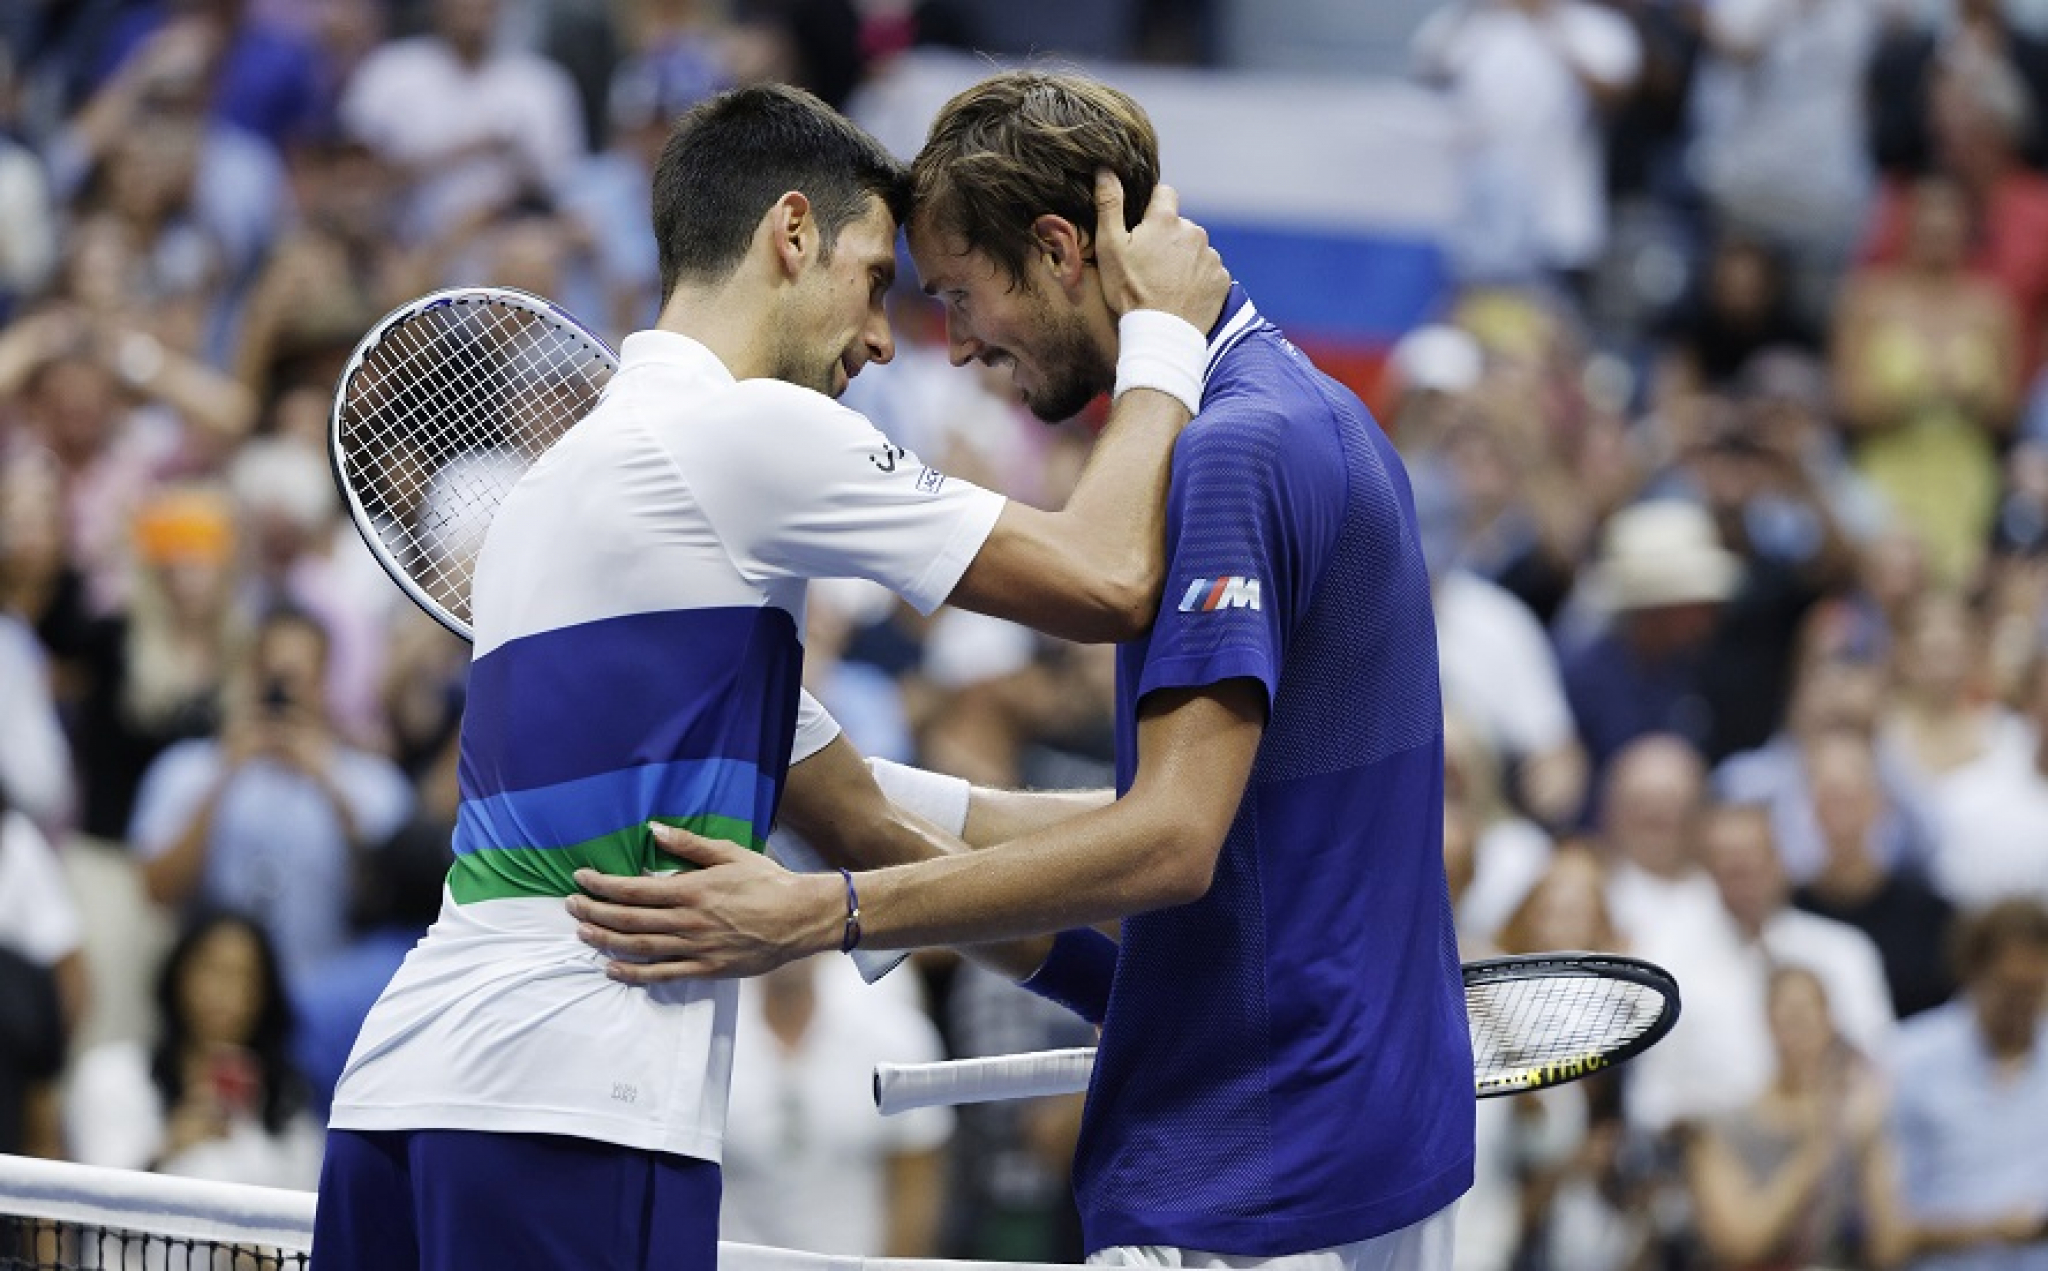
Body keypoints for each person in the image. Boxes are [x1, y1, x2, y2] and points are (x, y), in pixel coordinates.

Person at [315, 81, 1228, 1271]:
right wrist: (1166, 337)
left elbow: (867, 820)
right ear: (790, 235)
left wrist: (1128, 993)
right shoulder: (746, 434)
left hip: (400, 1100)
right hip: (574, 1103)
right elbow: (1107, 573)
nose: (885, 337)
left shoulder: (569, 486)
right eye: (871, 277)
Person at [573, 69, 1474, 1270]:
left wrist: (825, 911)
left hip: (1251, 1178)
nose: (949, 349)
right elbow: (1245, 833)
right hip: (1359, 1156)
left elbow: (1168, 842)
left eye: (956, 295)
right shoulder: (1316, 414)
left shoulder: (1230, 454)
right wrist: (885, 810)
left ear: (1056, 249)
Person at [64, 910, 323, 1187]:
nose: (226, 992)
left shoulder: (290, 1110)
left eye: (247, 978)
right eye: (212, 970)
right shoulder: (109, 1076)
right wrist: (169, 1147)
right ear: (178, 975)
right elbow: (96, 1204)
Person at [1888, 898, 2048, 1269]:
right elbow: (1887, 1230)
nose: (2022, 1005)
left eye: (2035, 990)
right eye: (2011, 988)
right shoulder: (1910, 1060)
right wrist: (1990, 1230)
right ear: (1974, 971)